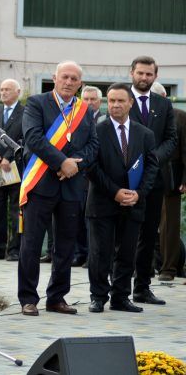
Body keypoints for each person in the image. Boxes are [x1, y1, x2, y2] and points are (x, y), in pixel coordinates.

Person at [18, 61, 99, 316]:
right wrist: (61, 162)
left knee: (65, 246)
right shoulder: (36, 103)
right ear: (54, 78)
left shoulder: (84, 109)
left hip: (72, 186)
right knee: (31, 244)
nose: (69, 82)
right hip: (41, 183)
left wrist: (75, 165)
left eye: (74, 79)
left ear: (80, 83)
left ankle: (57, 297)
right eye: (64, 76)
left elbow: (93, 145)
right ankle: (28, 299)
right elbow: (33, 138)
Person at [86, 84, 158, 313]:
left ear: (130, 103)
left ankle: (121, 297)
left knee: (127, 252)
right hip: (103, 202)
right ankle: (98, 297)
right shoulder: (96, 130)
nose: (115, 105)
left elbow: (151, 167)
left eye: (120, 101)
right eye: (111, 101)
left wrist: (139, 194)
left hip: (134, 203)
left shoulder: (145, 134)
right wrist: (115, 191)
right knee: (100, 253)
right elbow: (91, 167)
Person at [127, 56, 176, 305]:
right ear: (131, 73)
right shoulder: (121, 98)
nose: (144, 78)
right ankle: (117, 289)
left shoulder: (163, 105)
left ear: (155, 76)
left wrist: (153, 158)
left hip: (154, 180)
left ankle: (142, 288)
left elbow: (171, 139)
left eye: (149, 74)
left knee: (148, 235)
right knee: (124, 235)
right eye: (140, 73)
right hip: (125, 178)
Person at [0, 79, 24, 261]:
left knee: (16, 210)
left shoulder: (25, 113)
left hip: (14, 167)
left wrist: (9, 156)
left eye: (8, 89)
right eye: (1, 89)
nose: (4, 92)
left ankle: (15, 249)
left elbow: (23, 137)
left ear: (18, 92)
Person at [150, 82, 186, 281]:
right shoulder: (143, 116)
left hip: (171, 177)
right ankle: (144, 268)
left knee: (169, 225)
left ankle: (168, 268)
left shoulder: (180, 116)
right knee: (143, 222)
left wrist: (184, 179)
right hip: (145, 176)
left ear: (165, 95)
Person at [72, 85, 104, 268]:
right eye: (86, 99)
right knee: (76, 217)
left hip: (96, 177)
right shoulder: (74, 119)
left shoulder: (105, 120)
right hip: (77, 176)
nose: (90, 103)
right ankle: (79, 254)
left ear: (100, 101)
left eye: (93, 99)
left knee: (91, 220)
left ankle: (93, 255)